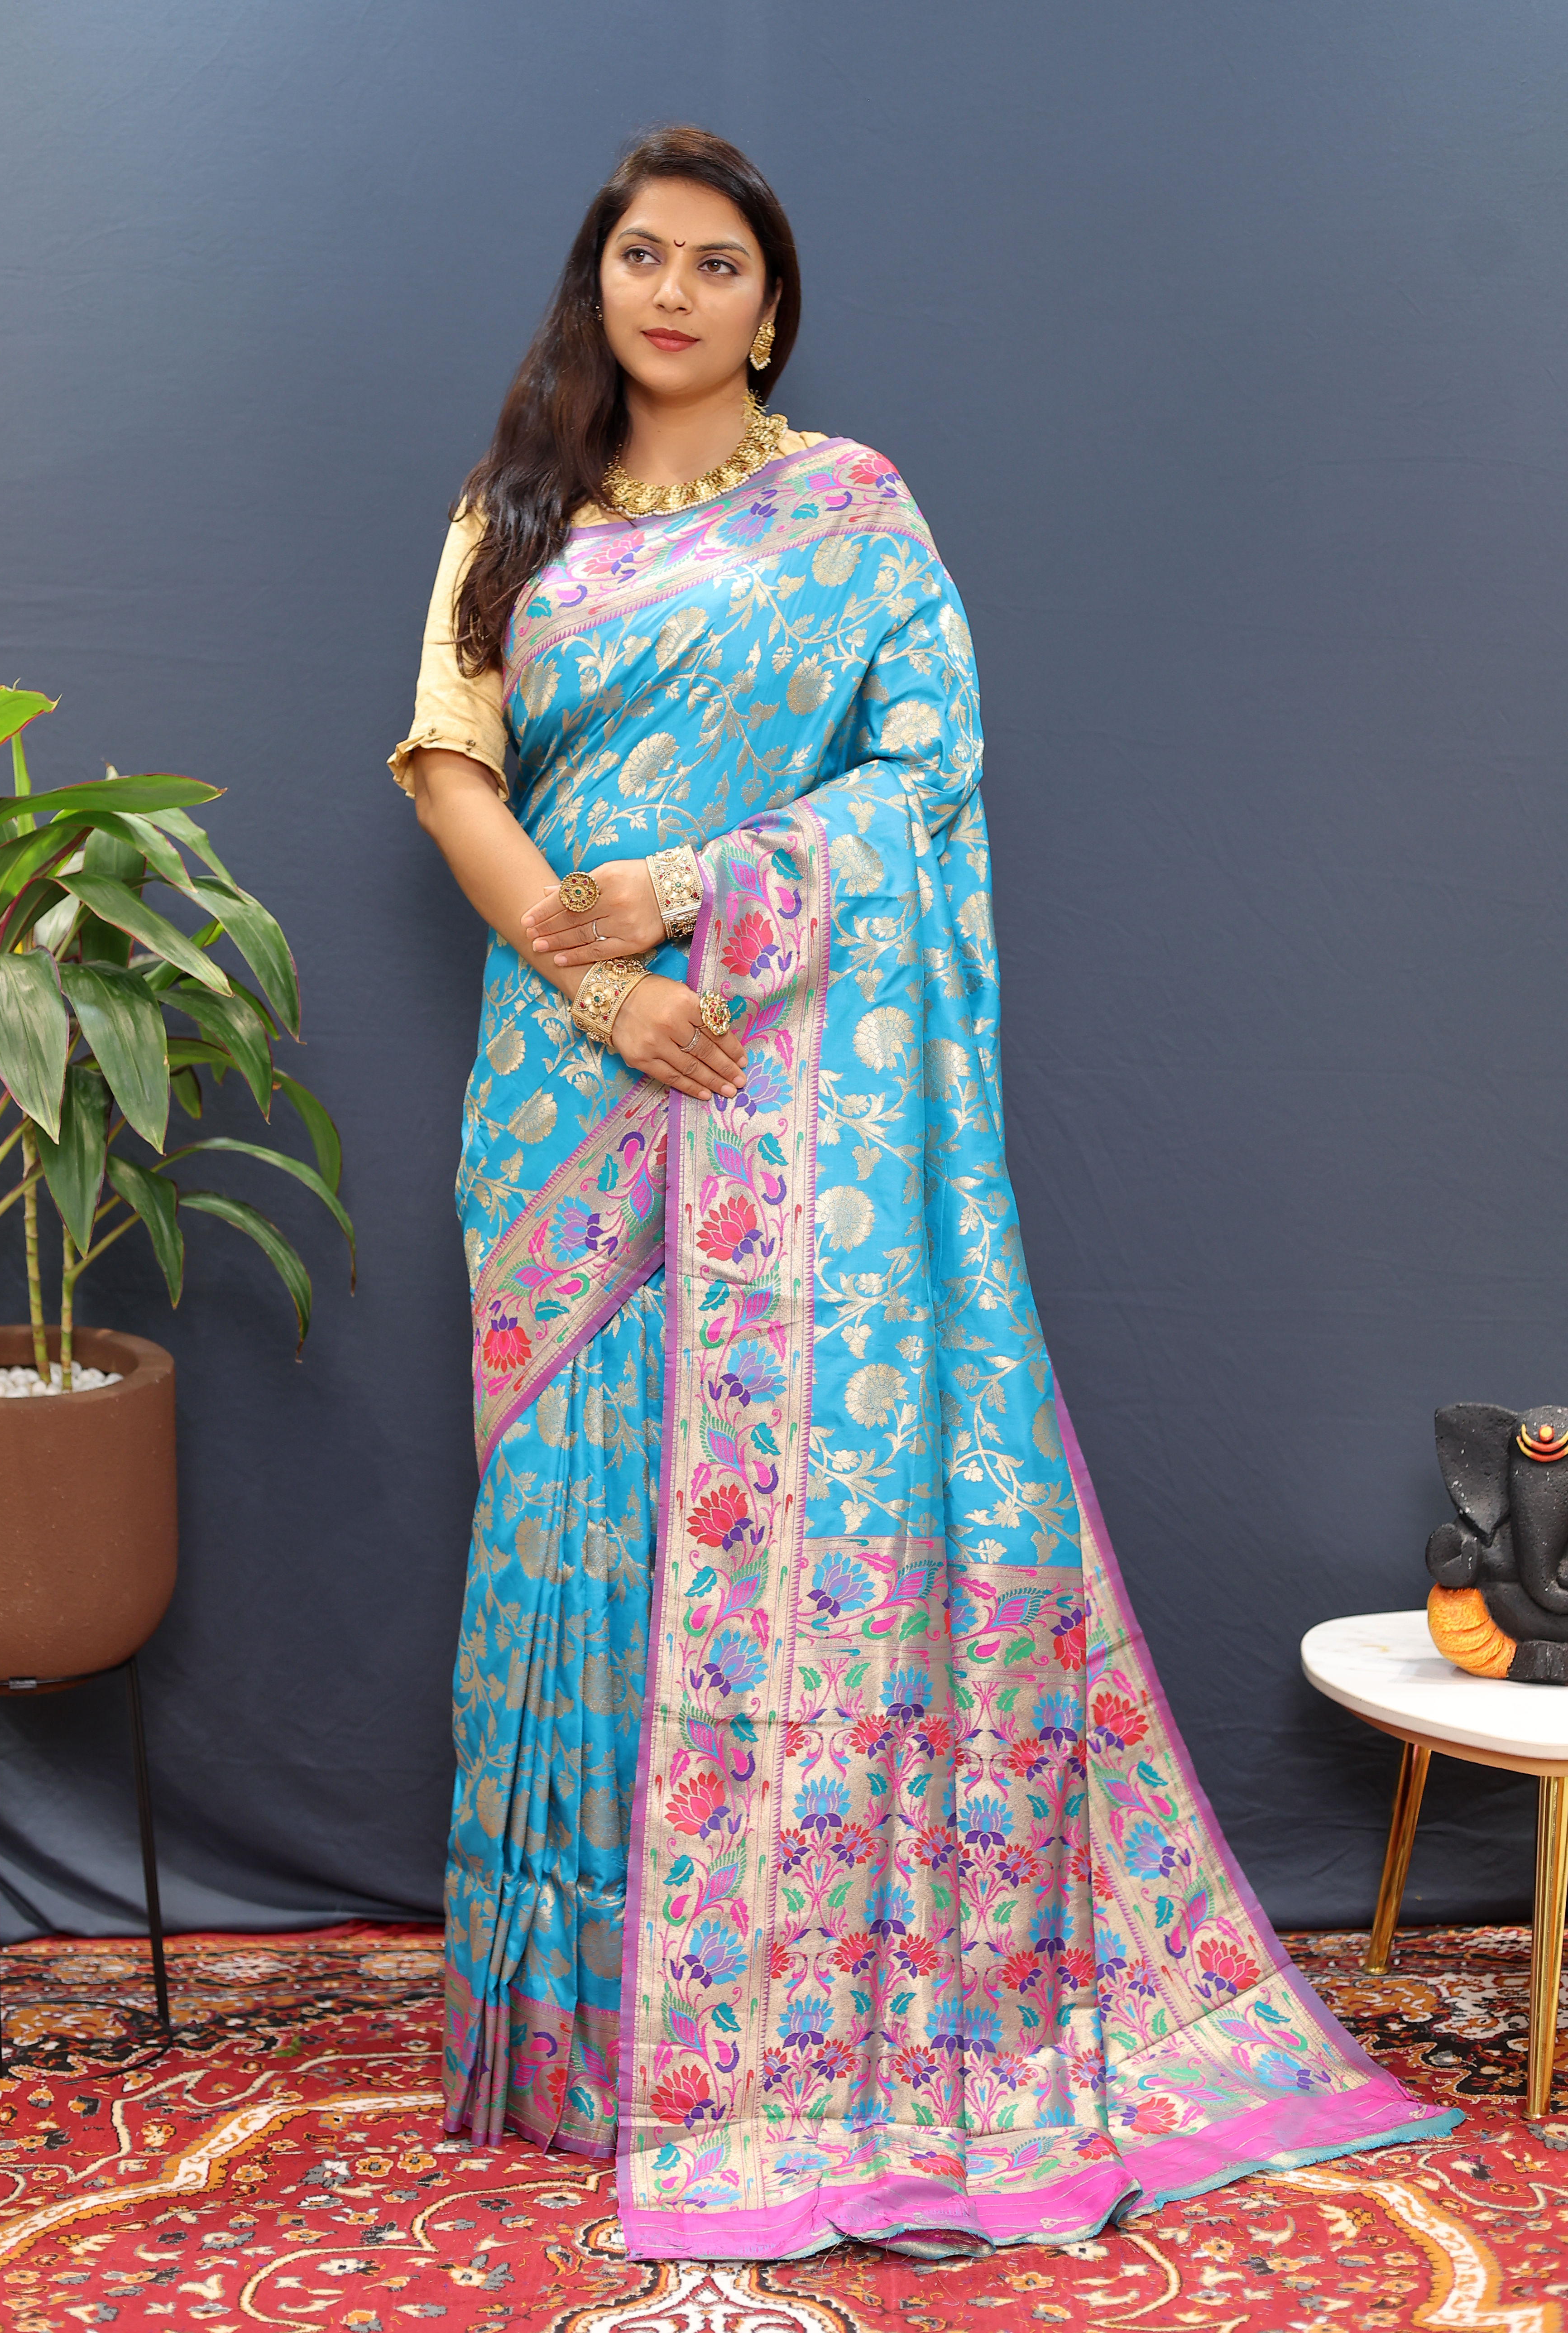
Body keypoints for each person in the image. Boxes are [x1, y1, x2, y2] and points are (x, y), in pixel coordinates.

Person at [392, 123, 1453, 2263]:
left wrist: (702, 888)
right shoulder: (513, 518)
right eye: (641, 256)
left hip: (783, 1094)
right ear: (598, 284)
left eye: (716, 264)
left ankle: (768, 2035)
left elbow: (926, 771)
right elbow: (450, 774)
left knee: (793, 1526)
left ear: (771, 309)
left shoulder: (855, 512)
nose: (673, 291)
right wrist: (604, 991)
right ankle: (580, 2052)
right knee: (574, 1539)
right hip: (570, 1095)